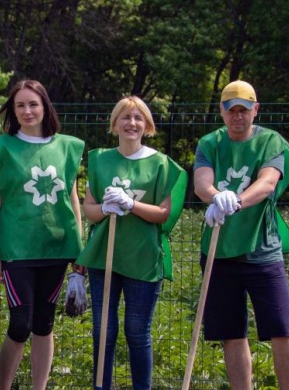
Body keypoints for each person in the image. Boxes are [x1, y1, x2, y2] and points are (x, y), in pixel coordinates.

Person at [193, 80, 289, 389]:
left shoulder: (270, 142)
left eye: (243, 110)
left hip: (262, 251)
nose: (237, 117)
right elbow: (202, 182)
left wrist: (236, 202)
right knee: (231, 333)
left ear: (256, 110)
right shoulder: (209, 143)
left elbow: (268, 183)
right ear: (222, 112)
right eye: (231, 111)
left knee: (281, 329)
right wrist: (215, 197)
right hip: (220, 250)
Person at [76, 96, 187, 390]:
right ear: (115, 124)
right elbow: (88, 209)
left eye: (138, 118)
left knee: (137, 331)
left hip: (142, 257)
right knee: (104, 330)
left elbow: (163, 214)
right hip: (105, 258)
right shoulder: (100, 159)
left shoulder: (161, 164)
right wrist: (105, 210)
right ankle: (101, 386)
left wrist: (130, 204)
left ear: (147, 125)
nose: (131, 123)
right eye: (125, 117)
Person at [0, 79, 84, 390]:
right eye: (20, 105)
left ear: (45, 107)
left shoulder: (68, 147)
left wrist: (79, 249)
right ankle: (4, 387)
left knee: (44, 324)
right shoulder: (0, 148)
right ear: (13, 111)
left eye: (33, 104)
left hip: (57, 247)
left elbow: (73, 199)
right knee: (20, 324)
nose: (27, 111)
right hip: (17, 250)